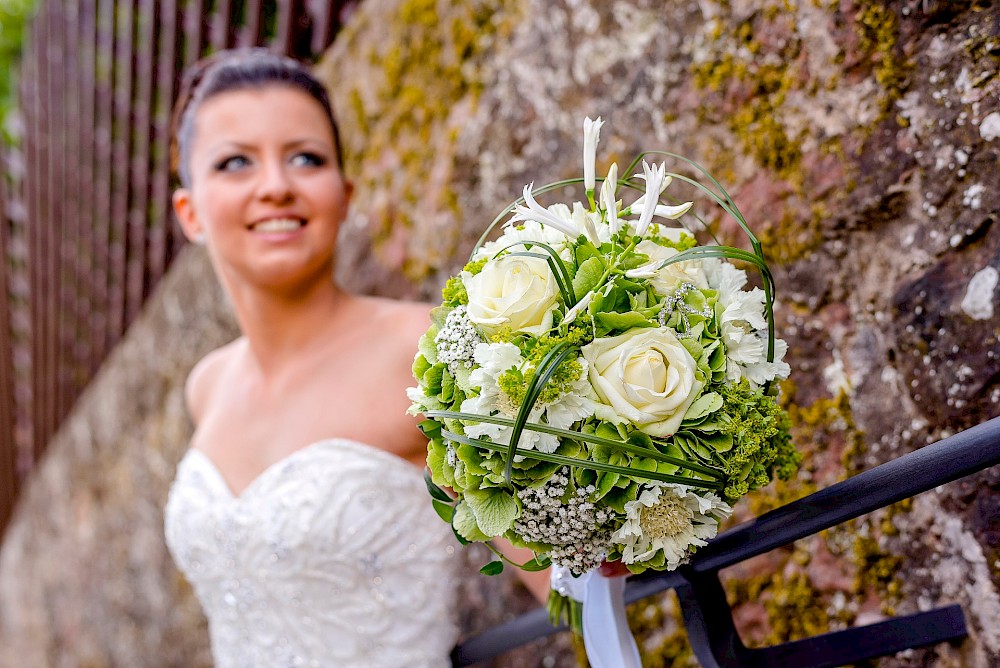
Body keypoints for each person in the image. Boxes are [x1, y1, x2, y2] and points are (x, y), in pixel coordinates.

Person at [162, 49, 547, 667]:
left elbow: (571, 584)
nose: (275, 185)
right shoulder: (206, 386)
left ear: (343, 195)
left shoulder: (428, 354)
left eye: (305, 158)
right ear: (190, 212)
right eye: (235, 162)